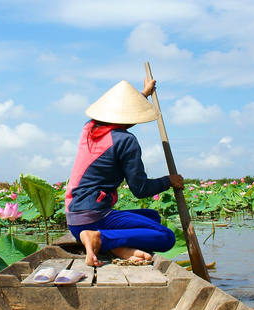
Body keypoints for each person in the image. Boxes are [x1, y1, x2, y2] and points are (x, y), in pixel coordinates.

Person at [64, 77, 183, 266]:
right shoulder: (126, 141)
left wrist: (144, 94)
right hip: (94, 218)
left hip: (74, 220)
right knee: (166, 236)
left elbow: (120, 112)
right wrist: (169, 180)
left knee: (152, 217)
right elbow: (140, 189)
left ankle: (113, 245)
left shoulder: (89, 128)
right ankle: (100, 239)